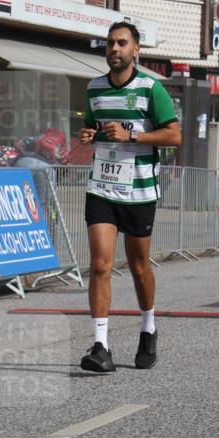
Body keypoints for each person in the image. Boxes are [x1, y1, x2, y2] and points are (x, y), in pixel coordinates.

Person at [78, 22, 182, 372]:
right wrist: (89, 134)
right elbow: (93, 125)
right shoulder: (93, 88)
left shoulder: (151, 88)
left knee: (138, 266)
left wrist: (131, 136)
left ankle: (148, 327)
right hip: (101, 187)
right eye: (110, 43)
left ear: (136, 49)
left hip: (139, 191)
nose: (114, 49)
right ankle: (100, 346)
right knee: (100, 265)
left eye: (122, 43)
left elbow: (174, 136)